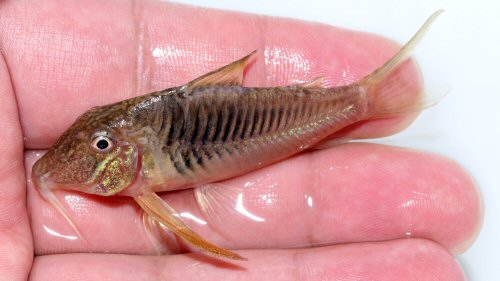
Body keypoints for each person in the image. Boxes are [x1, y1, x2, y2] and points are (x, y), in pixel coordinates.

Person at [0, 1, 481, 280]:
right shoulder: (138, 173)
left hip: (303, 111)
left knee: (360, 102)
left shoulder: (144, 172)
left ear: (130, 152)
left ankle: (364, 99)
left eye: (102, 145)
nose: (97, 152)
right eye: (100, 145)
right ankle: (365, 98)